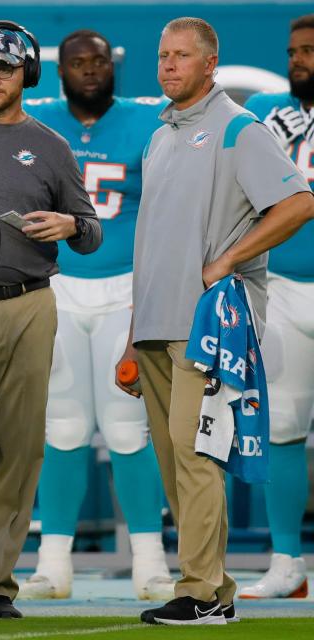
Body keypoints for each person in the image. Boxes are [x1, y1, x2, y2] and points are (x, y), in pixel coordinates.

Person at [121, 17, 314, 625]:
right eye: (162, 56)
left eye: (181, 56)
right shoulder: (158, 136)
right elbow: (150, 241)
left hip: (210, 322)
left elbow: (300, 201)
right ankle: (213, 587)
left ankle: (202, 591)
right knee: (174, 460)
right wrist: (131, 334)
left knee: (195, 452)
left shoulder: (239, 128)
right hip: (155, 321)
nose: (168, 66)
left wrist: (227, 261)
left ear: (211, 63)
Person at [0, 21, 101, 620]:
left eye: (4, 68)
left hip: (30, 304)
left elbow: (92, 231)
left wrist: (69, 226)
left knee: (17, 448)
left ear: (27, 74)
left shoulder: (51, 146)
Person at [20, 30, 172, 601]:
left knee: (129, 429)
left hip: (126, 292)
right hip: (57, 287)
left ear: (115, 65)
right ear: (58, 70)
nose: (90, 70)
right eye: (78, 63)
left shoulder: (148, 123)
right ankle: (53, 562)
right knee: (62, 427)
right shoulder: (37, 126)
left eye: (99, 61)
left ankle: (150, 560)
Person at [239, 13, 314, 600]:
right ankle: (287, 560)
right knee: (283, 425)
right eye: (294, 50)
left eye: (310, 50)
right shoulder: (265, 110)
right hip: (284, 284)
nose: (298, 60)